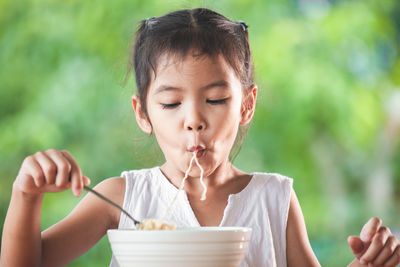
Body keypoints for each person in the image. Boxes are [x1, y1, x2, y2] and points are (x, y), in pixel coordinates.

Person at [1, 8, 399, 267]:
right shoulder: (124, 199)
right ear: (143, 114)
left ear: (246, 106)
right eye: (171, 104)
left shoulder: (274, 200)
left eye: (216, 99)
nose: (194, 121)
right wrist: (26, 195)